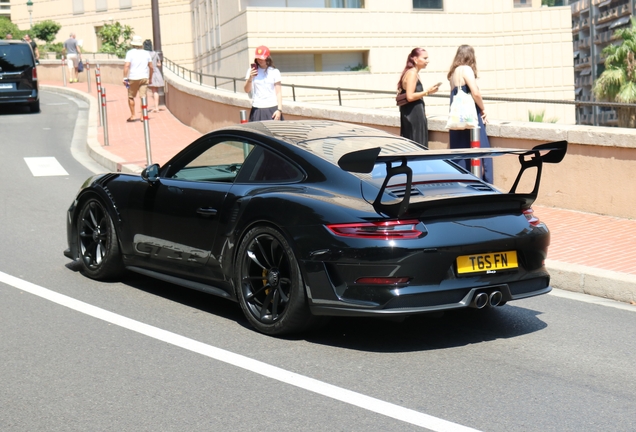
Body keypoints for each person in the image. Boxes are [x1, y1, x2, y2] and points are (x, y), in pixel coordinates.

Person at [447, 44, 493, 184]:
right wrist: (483, 109)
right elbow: (476, 93)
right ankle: (483, 183)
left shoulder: (453, 74)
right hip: (471, 117)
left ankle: (463, 183)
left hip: (458, 120)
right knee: (480, 151)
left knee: (461, 153)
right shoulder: (466, 69)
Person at [397, 48, 440, 147]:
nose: (427, 61)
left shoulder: (412, 73)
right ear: (415, 59)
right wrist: (427, 92)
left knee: (413, 142)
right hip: (413, 115)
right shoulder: (412, 73)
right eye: (425, 58)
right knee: (417, 143)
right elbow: (410, 96)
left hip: (413, 113)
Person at [243, 46, 283, 121]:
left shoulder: (274, 72)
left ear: (267, 58)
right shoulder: (251, 71)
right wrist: (250, 77)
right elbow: (246, 90)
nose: (259, 60)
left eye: (262, 58)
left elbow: (278, 93)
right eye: (258, 58)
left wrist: (279, 110)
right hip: (257, 108)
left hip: (272, 108)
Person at [123, 35, 153, 122]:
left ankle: (133, 115)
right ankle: (143, 116)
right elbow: (151, 67)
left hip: (132, 77)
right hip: (144, 77)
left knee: (131, 96)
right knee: (143, 97)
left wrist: (125, 78)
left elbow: (126, 65)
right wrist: (150, 78)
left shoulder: (130, 53)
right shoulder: (146, 53)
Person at [142, 39, 165, 112]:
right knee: (155, 91)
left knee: (143, 90)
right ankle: (156, 107)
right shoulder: (155, 53)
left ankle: (144, 107)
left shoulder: (144, 54)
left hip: (147, 72)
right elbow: (159, 64)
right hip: (156, 72)